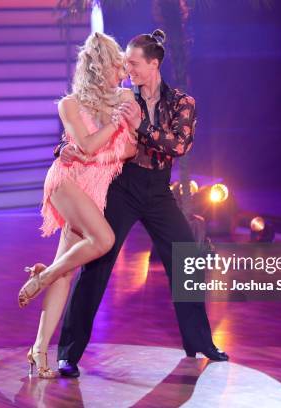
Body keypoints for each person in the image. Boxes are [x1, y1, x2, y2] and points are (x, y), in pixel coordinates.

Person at [56, 29, 229, 378]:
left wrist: (142, 126)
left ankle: (200, 343)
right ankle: (69, 353)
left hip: (158, 192)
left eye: (133, 63)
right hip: (123, 187)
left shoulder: (182, 103)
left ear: (154, 64)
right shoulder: (118, 97)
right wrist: (62, 149)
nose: (127, 69)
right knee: (98, 263)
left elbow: (179, 145)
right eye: (125, 64)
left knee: (187, 260)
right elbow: (79, 131)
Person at [16, 32, 138, 379]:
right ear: (102, 68)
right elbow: (84, 146)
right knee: (104, 240)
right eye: (118, 67)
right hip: (66, 183)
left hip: (94, 189)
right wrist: (106, 134)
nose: (123, 74)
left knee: (66, 270)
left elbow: (129, 149)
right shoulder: (68, 104)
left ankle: (39, 349)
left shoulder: (125, 98)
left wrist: (99, 145)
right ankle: (46, 276)